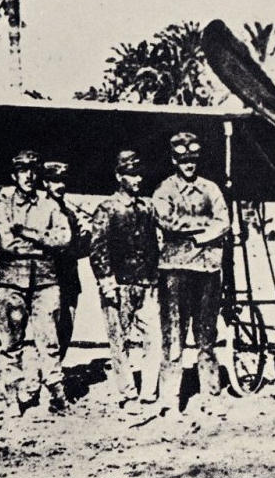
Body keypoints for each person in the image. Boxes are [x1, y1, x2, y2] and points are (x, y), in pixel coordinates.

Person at [0, 150, 72, 416]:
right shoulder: (2, 203)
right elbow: (6, 242)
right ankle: (13, 396)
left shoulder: (49, 204)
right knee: (12, 342)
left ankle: (57, 396)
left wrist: (29, 234)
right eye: (23, 171)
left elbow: (64, 238)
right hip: (11, 281)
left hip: (46, 282)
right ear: (14, 175)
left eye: (33, 171)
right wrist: (43, 246)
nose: (29, 176)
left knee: (49, 340)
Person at [152, 132, 231, 415]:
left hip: (207, 268)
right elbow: (167, 221)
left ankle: (211, 396)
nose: (189, 166)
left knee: (206, 336)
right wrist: (204, 229)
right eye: (183, 161)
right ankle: (169, 399)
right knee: (173, 335)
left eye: (193, 161)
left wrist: (198, 235)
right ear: (174, 160)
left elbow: (223, 222)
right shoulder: (164, 190)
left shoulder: (211, 189)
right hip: (175, 270)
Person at [89, 151, 162, 412]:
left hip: (146, 284)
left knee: (155, 338)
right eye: (131, 174)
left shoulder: (147, 208)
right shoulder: (107, 209)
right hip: (118, 285)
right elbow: (98, 249)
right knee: (119, 341)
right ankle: (128, 394)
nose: (137, 179)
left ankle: (149, 392)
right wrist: (106, 281)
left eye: (139, 174)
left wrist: (155, 280)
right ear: (120, 176)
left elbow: (156, 244)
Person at [41, 161, 92, 361]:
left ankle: (56, 370)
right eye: (54, 181)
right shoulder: (39, 210)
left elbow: (77, 250)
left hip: (69, 278)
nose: (60, 185)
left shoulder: (70, 213)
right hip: (47, 278)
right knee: (48, 329)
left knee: (66, 327)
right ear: (45, 183)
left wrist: (87, 237)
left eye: (62, 181)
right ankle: (47, 374)